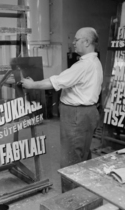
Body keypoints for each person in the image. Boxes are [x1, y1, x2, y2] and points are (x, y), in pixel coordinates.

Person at [21, 27, 103, 170]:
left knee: (70, 159)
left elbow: (55, 82)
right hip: (88, 113)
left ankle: (71, 192)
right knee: (82, 153)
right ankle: (81, 190)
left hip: (76, 115)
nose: (73, 42)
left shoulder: (83, 65)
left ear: (87, 42)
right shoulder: (95, 62)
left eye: (76, 39)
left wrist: (32, 84)